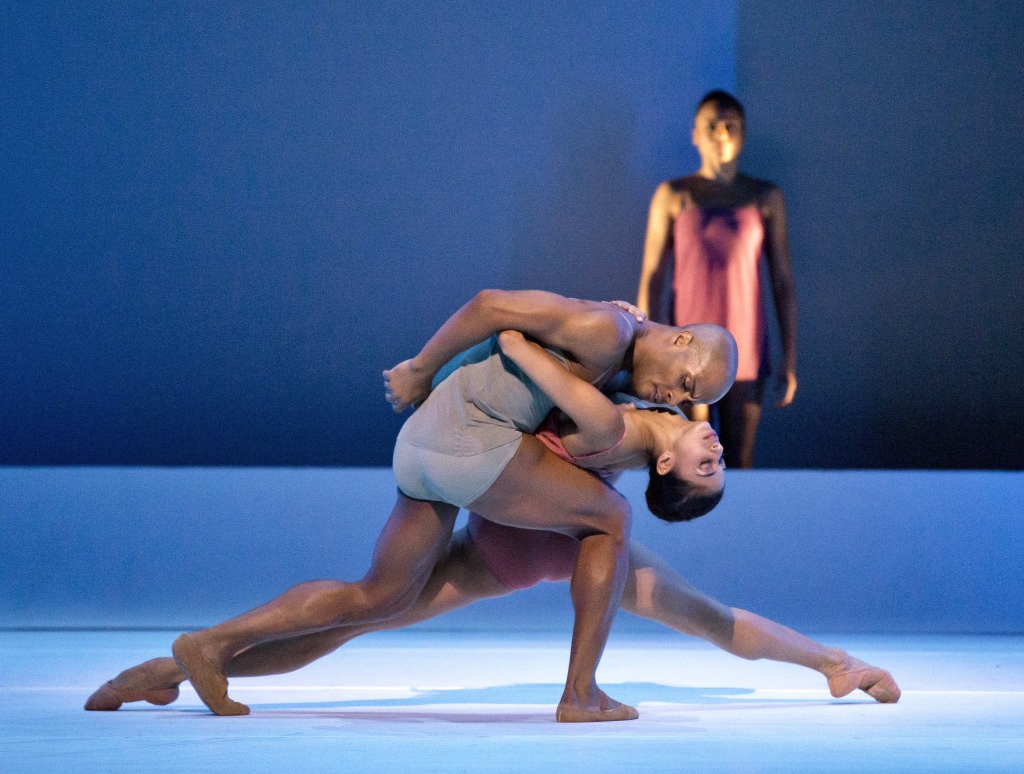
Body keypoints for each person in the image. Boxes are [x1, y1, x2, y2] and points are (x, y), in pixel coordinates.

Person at [86, 331, 897, 711]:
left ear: (665, 469)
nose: (716, 442)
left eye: (708, 464)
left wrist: (523, 337)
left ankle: (175, 669)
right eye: (717, 450)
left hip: (514, 545)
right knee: (367, 608)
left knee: (366, 611)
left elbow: (552, 368)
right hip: (510, 527)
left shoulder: (616, 435)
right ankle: (580, 693)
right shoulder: (631, 424)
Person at [166, 290, 738, 722]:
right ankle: (581, 693)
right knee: (611, 517)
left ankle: (206, 648)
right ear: (682, 339)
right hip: (469, 438)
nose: (677, 398)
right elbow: (490, 304)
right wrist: (419, 367)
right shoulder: (606, 327)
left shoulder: (619, 343)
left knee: (379, 598)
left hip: (422, 445)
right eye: (685, 381)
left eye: (689, 399)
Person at [637, 90, 798, 468]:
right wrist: (644, 350)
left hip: (745, 347)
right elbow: (652, 274)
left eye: (731, 126)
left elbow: (783, 282)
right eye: (712, 126)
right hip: (685, 347)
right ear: (696, 134)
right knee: (688, 459)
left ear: (743, 134)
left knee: (739, 460)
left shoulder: (765, 197)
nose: (722, 134)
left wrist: (789, 358)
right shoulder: (674, 195)